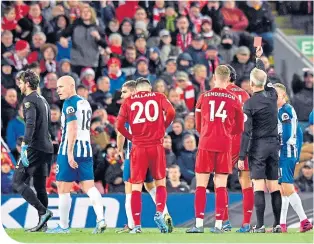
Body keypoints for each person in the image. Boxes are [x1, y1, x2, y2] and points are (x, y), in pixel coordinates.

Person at [186, 65, 244, 234]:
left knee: (201, 185)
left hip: (206, 143)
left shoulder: (203, 96)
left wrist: (206, 132)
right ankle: (219, 225)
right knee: (221, 185)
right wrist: (225, 132)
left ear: (214, 78)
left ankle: (198, 224)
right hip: (225, 144)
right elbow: (239, 127)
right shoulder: (234, 99)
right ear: (229, 80)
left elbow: (197, 124)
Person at [46, 76, 106, 234]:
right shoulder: (84, 102)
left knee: (63, 188)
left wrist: (70, 153)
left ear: (71, 86)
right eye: (57, 87)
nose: (58, 90)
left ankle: (64, 227)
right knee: (89, 187)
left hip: (69, 150)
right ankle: (101, 219)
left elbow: (72, 128)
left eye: (61, 87)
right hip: (86, 149)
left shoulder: (69, 103)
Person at [116, 77, 175, 233]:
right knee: (159, 183)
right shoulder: (159, 97)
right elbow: (171, 111)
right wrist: (163, 127)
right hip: (156, 145)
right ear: (149, 88)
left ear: (137, 88)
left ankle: (135, 225)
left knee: (135, 186)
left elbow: (119, 126)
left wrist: (132, 138)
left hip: (138, 147)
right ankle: (160, 212)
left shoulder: (129, 102)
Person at [238, 47, 282, 233]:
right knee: (273, 185)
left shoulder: (249, 103)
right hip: (274, 145)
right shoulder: (272, 95)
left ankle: (261, 225)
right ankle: (278, 224)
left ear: (250, 83)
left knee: (258, 184)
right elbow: (265, 78)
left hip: (258, 146)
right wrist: (258, 59)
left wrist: (241, 156)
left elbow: (246, 133)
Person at [13, 70, 53, 232]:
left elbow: (30, 124)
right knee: (40, 185)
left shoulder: (28, 100)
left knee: (17, 181)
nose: (19, 85)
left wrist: (24, 145)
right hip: (47, 147)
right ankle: (43, 225)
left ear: (28, 83)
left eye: (21, 82)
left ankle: (43, 212)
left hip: (34, 147)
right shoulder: (43, 99)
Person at [273, 83, 312, 233]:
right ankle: (282, 224)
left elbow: (288, 133)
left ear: (283, 96)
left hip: (285, 153)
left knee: (287, 188)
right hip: (288, 153)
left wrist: (277, 143)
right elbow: (299, 134)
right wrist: (297, 153)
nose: (273, 97)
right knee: (283, 189)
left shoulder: (284, 111)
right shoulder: (286, 110)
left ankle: (304, 221)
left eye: (276, 94)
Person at [223, 64, 253, 233]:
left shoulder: (217, 94)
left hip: (225, 140)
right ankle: (246, 223)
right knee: (245, 181)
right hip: (244, 140)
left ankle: (224, 222)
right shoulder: (244, 94)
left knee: (221, 181)